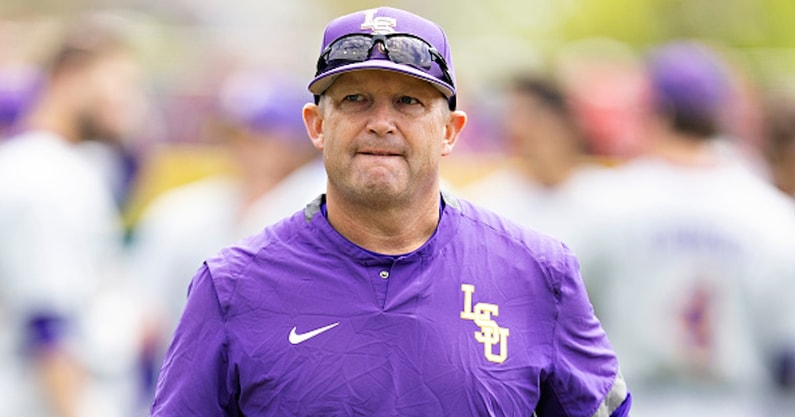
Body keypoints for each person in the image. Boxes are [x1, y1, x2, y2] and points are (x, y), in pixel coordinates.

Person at [151, 7, 631, 417]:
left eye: (408, 102)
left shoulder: (539, 273)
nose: (381, 124)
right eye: (355, 99)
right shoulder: (232, 285)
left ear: (451, 131)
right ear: (317, 125)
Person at [576, 41, 795, 417]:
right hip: (741, 404)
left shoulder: (607, 202)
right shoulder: (772, 213)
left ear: (658, 112)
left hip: (634, 402)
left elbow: (567, 319)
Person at [128, 70, 325, 395]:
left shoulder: (321, 202)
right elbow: (142, 315)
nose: (249, 148)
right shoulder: (184, 211)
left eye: (263, 135)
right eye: (238, 135)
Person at [0, 12, 147, 417]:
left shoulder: (65, 165)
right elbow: (49, 325)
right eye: (119, 84)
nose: (127, 103)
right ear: (69, 76)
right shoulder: (42, 175)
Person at [463, 74, 610, 252]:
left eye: (534, 118)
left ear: (566, 124)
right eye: (515, 116)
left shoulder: (607, 194)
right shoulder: (488, 206)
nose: (519, 126)